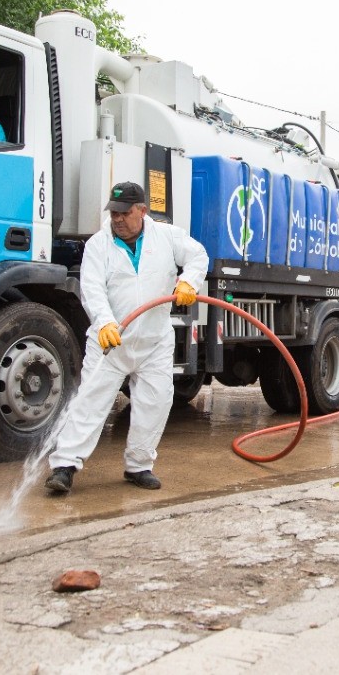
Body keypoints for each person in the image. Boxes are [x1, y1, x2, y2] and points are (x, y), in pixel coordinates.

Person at [45, 181, 208, 496]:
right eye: (114, 212)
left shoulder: (166, 237)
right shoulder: (98, 245)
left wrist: (188, 281)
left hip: (154, 341)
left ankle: (139, 466)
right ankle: (64, 466)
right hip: (111, 341)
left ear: (142, 211)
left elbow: (198, 255)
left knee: (156, 401)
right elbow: (92, 288)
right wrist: (105, 322)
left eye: (124, 212)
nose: (117, 218)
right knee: (91, 401)